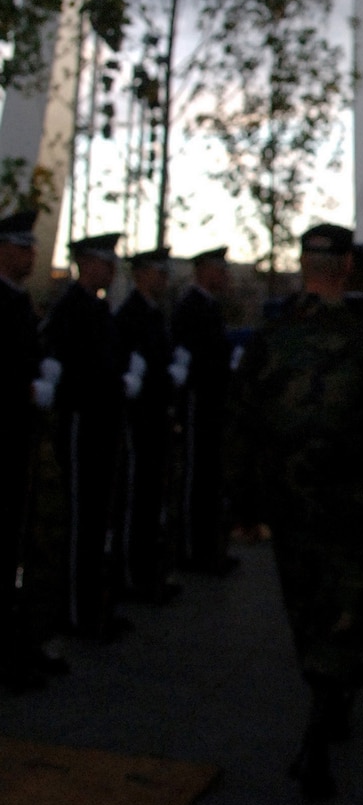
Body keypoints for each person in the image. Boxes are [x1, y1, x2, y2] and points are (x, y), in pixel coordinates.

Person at [227, 222, 363, 799]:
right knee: (346, 604)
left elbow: (241, 425)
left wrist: (244, 503)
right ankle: (325, 708)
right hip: (355, 503)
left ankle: (322, 690)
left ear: (305, 266)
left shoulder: (271, 338)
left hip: (291, 502)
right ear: (347, 269)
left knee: (306, 601)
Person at [39, 230, 125, 640]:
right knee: (80, 519)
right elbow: (58, 365)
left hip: (102, 423)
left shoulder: (97, 308)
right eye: (104, 261)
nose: (110, 267)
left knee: (95, 519)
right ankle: (76, 613)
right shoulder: (72, 308)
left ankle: (92, 606)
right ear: (86, 263)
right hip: (80, 424)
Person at [0, 209, 61, 688]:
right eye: (23, 247)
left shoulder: (19, 302)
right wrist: (26, 389)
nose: (32, 255)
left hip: (20, 440)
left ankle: (17, 646)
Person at [113, 247, 182, 604]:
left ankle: (145, 571)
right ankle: (131, 575)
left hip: (156, 416)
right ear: (141, 274)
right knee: (137, 496)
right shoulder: (132, 315)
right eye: (158, 272)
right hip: (139, 420)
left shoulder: (154, 313)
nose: (163, 279)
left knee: (152, 496)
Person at [171, 244, 239, 574]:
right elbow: (194, 357)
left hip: (212, 401)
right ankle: (192, 549)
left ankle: (208, 546)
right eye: (220, 269)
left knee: (210, 476)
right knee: (197, 476)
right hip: (199, 401)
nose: (225, 276)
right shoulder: (192, 307)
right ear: (204, 271)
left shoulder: (208, 306)